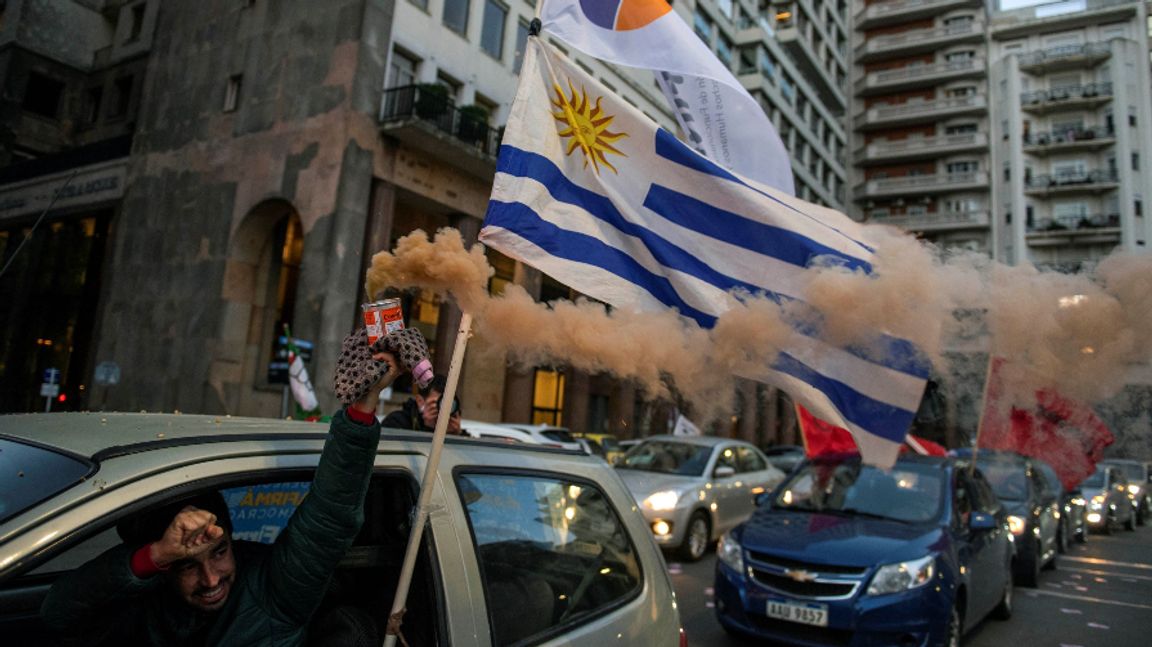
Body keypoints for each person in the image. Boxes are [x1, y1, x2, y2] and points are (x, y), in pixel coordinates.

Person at [40, 331, 406, 646]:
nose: (211, 579)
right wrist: (154, 555)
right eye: (186, 565)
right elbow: (60, 614)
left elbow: (330, 516)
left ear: (232, 537)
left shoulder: (272, 591)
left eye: (219, 551)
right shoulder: (145, 609)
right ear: (164, 567)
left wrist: (361, 408)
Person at [381, 374, 462, 435]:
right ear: (420, 401)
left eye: (447, 405)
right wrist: (428, 428)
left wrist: (456, 435)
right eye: (436, 403)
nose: (442, 409)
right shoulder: (396, 422)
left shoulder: (452, 427)